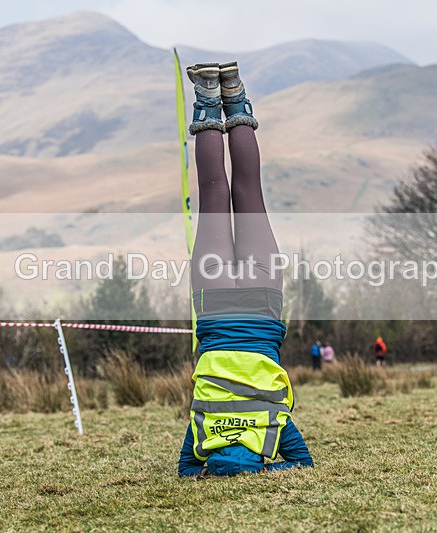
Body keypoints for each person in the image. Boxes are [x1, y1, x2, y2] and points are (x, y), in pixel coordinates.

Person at [177, 61, 313, 477]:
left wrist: (264, 471)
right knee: (214, 194)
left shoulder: (272, 430)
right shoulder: (203, 432)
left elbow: (302, 464)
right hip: (216, 308)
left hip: (263, 304)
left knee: (249, 191)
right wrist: (203, 472)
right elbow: (185, 469)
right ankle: (207, 94)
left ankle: (234, 90)